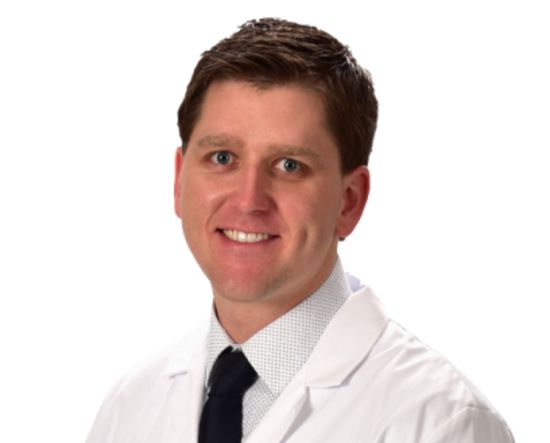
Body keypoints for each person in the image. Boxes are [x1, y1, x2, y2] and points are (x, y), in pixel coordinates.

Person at [86, 18, 515, 443]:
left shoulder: (442, 423)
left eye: (289, 166)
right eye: (222, 158)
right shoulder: (130, 408)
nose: (249, 200)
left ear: (349, 201)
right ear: (180, 181)